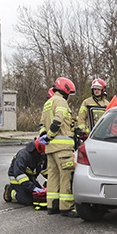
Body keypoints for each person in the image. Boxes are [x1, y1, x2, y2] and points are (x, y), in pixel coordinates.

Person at [39, 76, 78, 217]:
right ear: (65, 91)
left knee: (53, 176)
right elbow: (58, 120)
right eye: (69, 93)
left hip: (50, 148)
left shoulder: (48, 102)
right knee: (65, 176)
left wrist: (46, 137)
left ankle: (52, 205)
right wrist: (51, 135)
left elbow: (41, 125)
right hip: (62, 147)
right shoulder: (61, 101)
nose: (69, 96)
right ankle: (66, 207)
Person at [3, 138, 48, 209]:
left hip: (29, 178)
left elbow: (45, 170)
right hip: (17, 179)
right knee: (27, 200)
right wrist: (32, 187)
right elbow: (19, 174)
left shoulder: (41, 155)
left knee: (39, 197)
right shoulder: (23, 155)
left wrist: (50, 182)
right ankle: (10, 191)